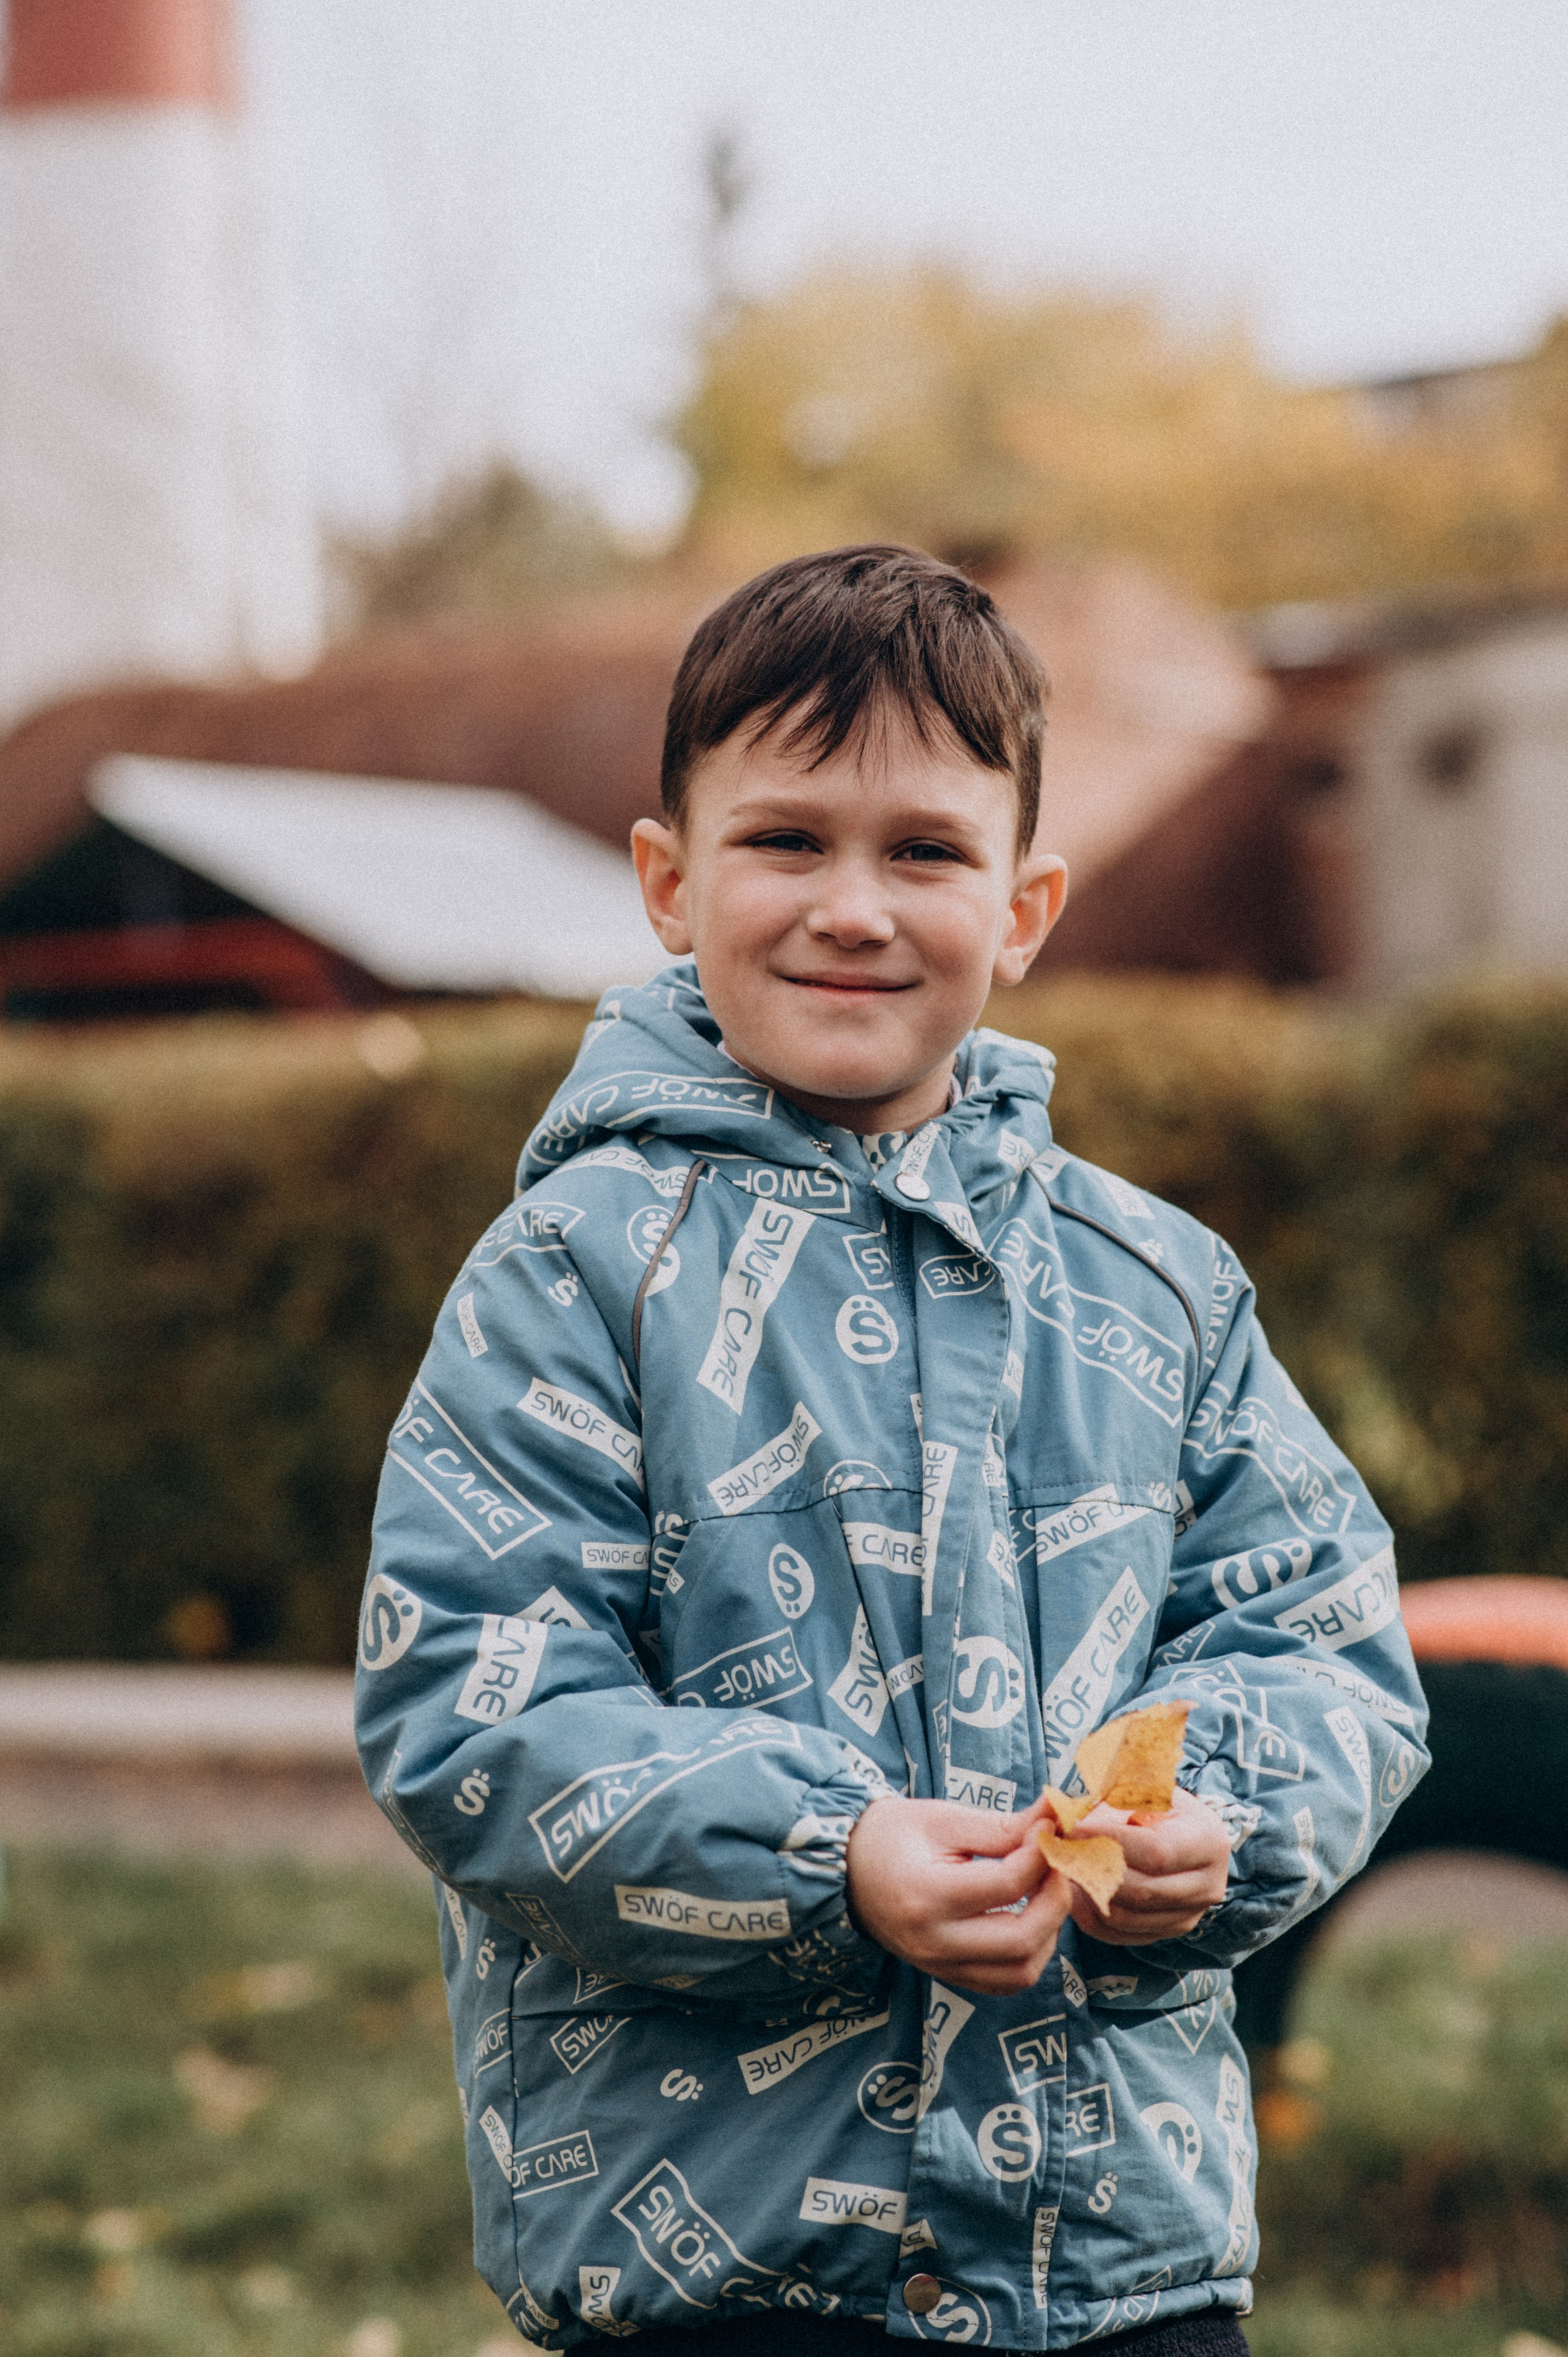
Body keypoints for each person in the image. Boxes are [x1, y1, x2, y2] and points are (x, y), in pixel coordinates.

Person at [355, 545, 1428, 2356]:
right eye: (788, 841)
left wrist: (1214, 1822)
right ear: (667, 882)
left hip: (1117, 2261)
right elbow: (471, 1700)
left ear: (1023, 906)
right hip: (727, 2270)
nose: (854, 906)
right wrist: (827, 1855)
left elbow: (1331, 1650)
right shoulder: (575, 1269)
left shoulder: (1158, 1286)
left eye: (924, 852)